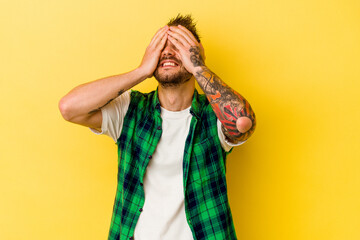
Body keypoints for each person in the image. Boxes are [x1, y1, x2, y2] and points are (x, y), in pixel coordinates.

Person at [59, 14, 256, 240]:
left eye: (179, 45)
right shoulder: (130, 110)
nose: (168, 52)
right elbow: (69, 108)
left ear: (197, 54)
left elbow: (242, 121)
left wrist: (199, 67)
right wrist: (141, 71)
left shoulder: (214, 115)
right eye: (161, 46)